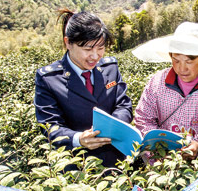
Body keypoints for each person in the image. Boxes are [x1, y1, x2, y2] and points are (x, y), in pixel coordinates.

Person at [34, 9, 133, 167]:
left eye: (100, 48)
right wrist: (78, 138)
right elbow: (49, 126)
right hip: (78, 165)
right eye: (87, 49)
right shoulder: (49, 79)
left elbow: (124, 105)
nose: (95, 56)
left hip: (117, 161)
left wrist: (113, 126)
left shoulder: (110, 68)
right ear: (68, 43)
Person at [132, 22, 198, 162]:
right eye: (176, 60)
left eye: (189, 62)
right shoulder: (157, 82)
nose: (181, 69)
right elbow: (143, 118)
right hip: (161, 164)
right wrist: (157, 148)